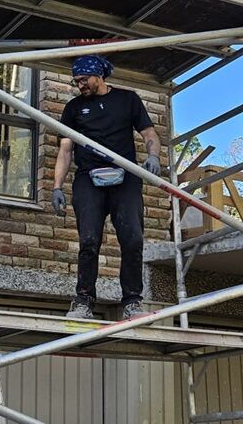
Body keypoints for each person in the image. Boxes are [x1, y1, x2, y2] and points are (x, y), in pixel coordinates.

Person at [51, 54, 161, 321]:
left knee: (133, 239)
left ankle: (133, 301)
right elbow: (66, 149)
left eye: (84, 80)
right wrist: (57, 187)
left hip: (125, 177)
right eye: (76, 81)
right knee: (89, 241)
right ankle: (83, 301)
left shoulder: (128, 99)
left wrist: (154, 155)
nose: (80, 85)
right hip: (89, 178)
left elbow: (149, 135)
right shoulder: (74, 108)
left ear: (99, 75)